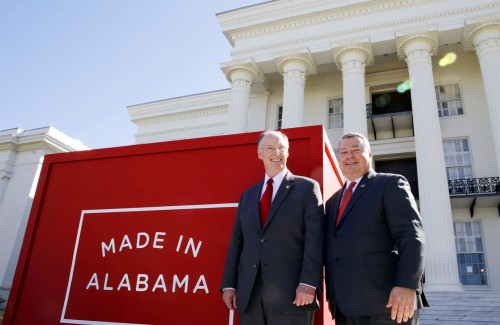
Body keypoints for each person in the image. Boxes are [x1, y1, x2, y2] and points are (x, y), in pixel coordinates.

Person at [220, 130, 325, 325]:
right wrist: (229, 285)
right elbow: (237, 241)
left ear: (288, 153)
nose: (276, 153)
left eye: (281, 148)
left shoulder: (307, 188)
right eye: (270, 148)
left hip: (293, 294)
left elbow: (316, 239)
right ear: (259, 153)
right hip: (249, 294)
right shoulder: (248, 195)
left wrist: (309, 283)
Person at [324, 132, 427, 324]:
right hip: (344, 308)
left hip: (387, 305)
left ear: (369, 155)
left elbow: (411, 237)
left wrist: (406, 285)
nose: (349, 156)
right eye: (344, 152)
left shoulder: (390, 184)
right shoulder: (332, 202)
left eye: (356, 150)